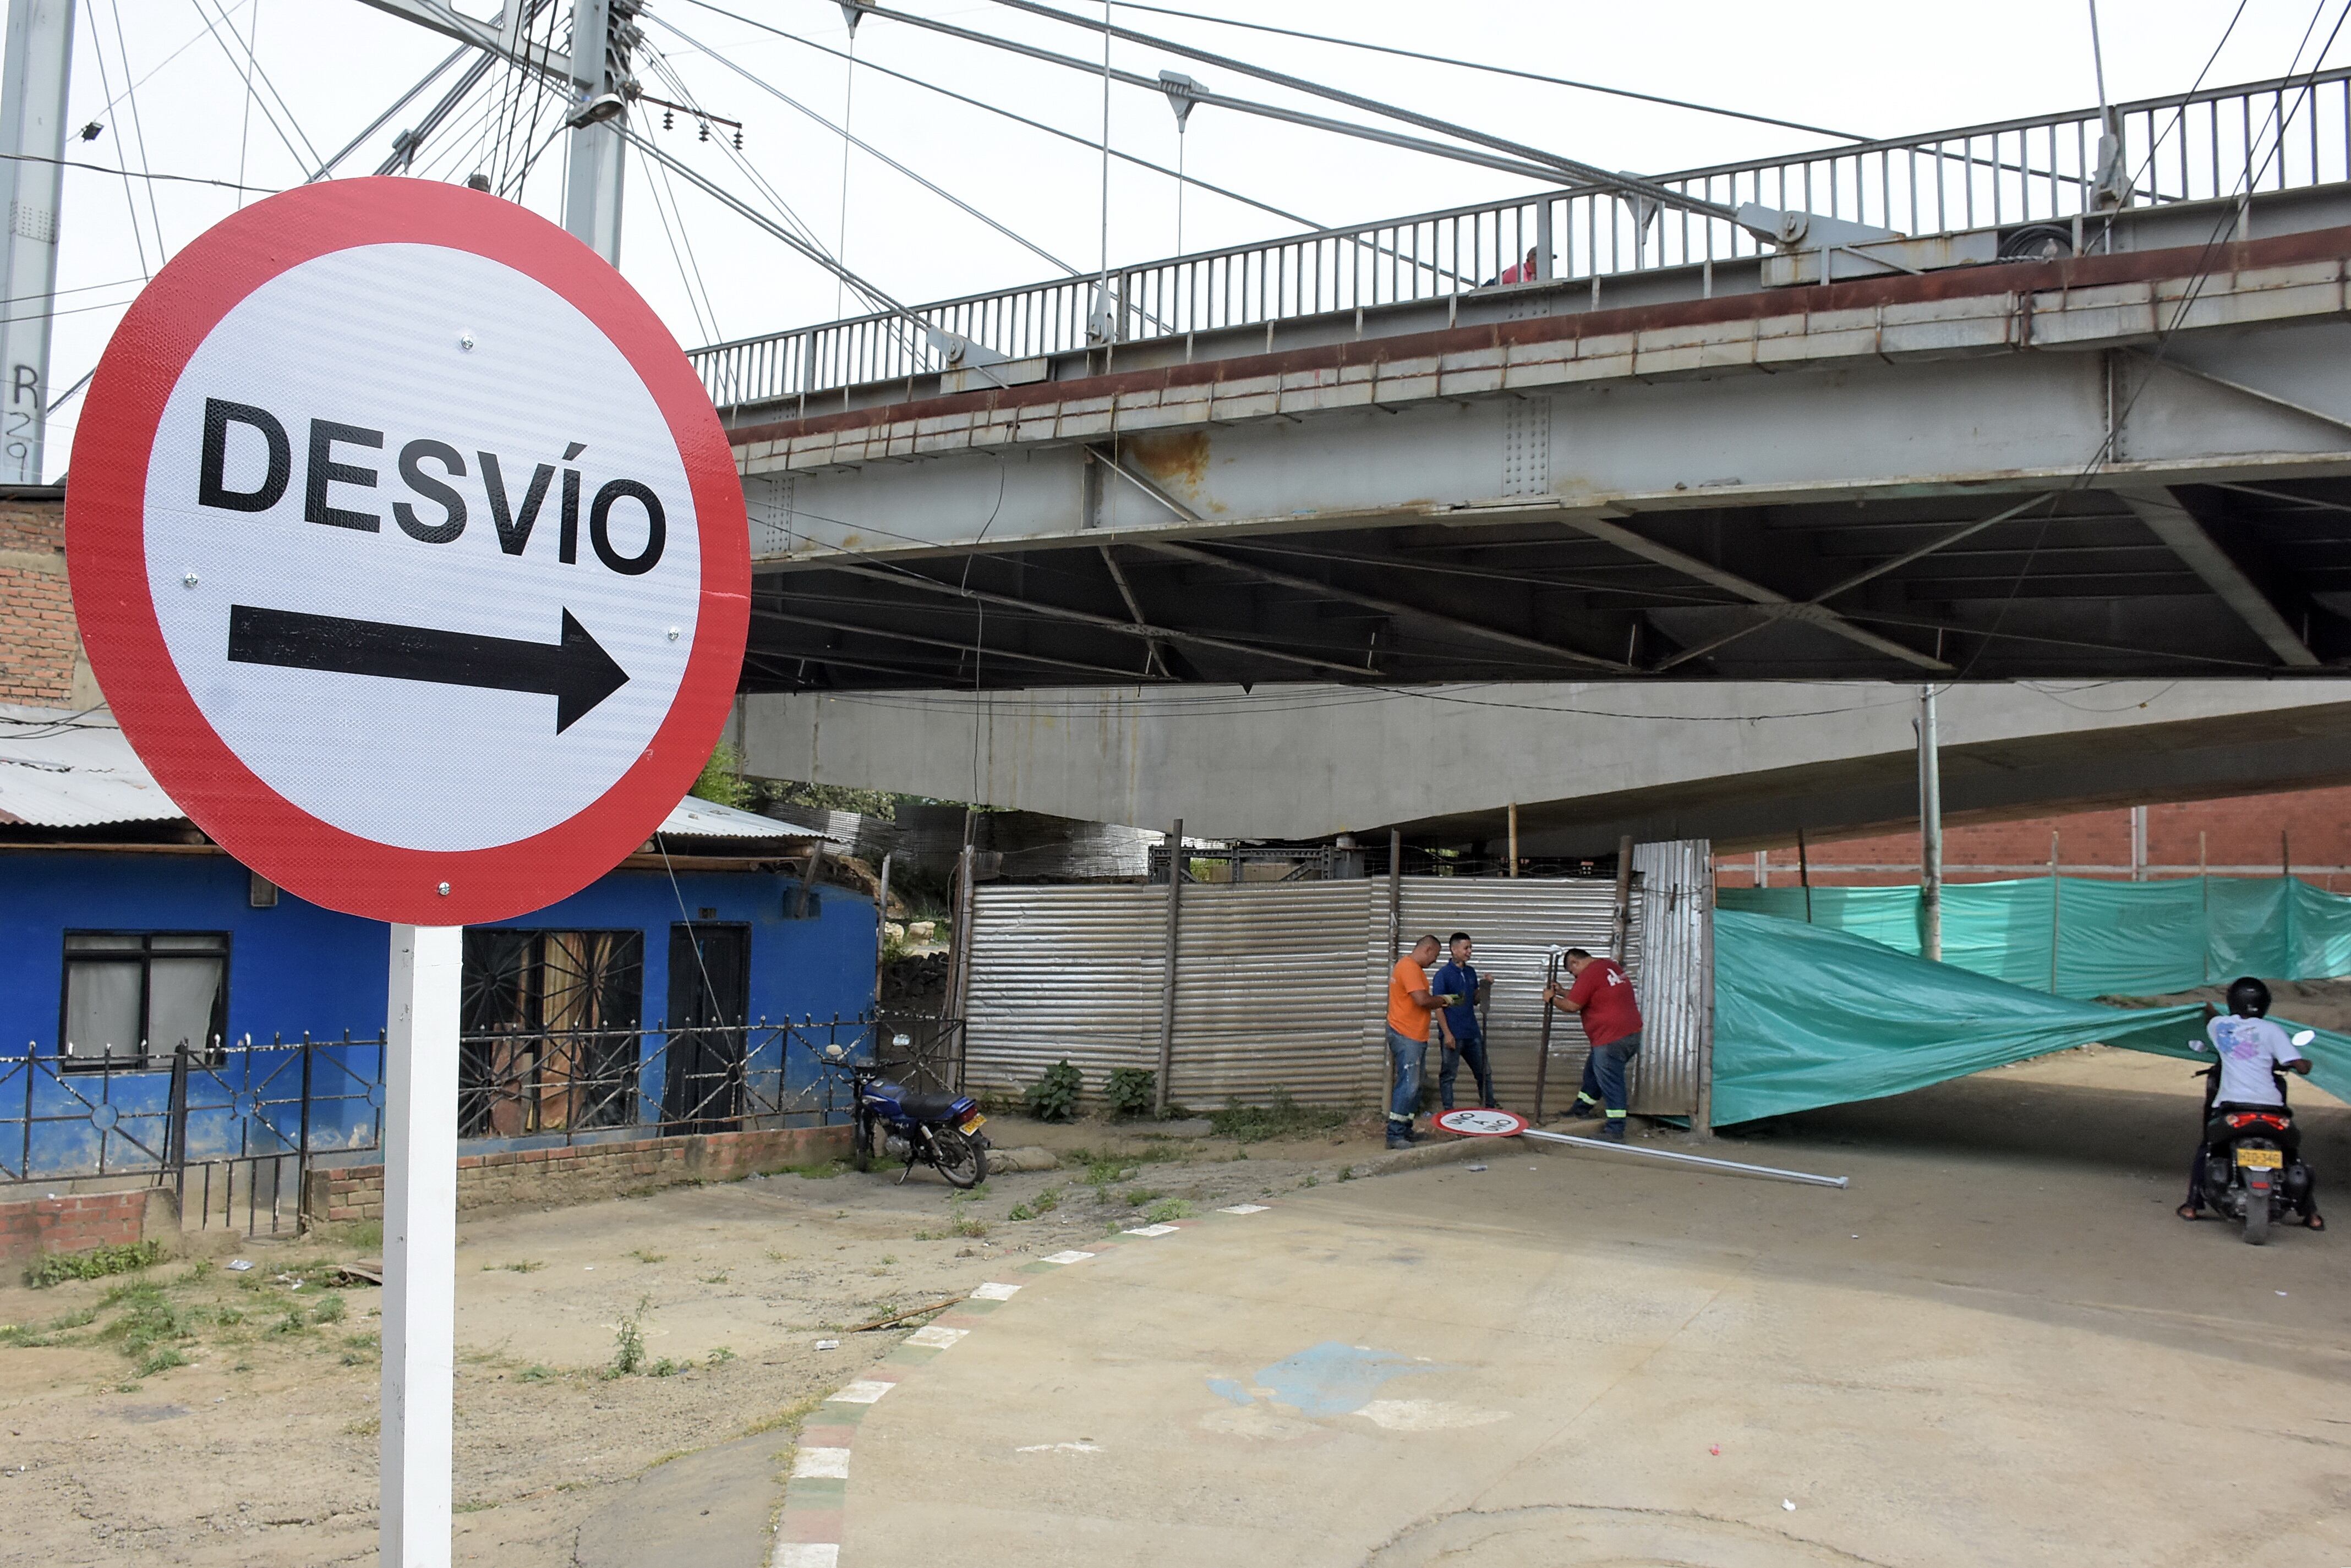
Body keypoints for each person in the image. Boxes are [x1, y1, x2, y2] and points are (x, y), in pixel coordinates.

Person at [2179, 975, 2324, 1229]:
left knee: (2209, 1148)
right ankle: (2311, 1214)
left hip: (2232, 1107)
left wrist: (2208, 1005)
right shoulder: (2272, 1031)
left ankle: (2192, 1206)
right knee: (2292, 1155)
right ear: (2265, 1003)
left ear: (2233, 1002)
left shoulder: (2221, 1027)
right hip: (2271, 1108)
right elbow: (2300, 1067)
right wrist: (2306, 1064)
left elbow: (2210, 1015)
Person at [1543, 946, 1642, 1141]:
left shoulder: (1588, 975)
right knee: (1593, 1072)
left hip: (1611, 1038)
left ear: (1575, 962)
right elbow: (1585, 995)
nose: (1574, 977)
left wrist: (1553, 999)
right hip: (1630, 1034)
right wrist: (1563, 991)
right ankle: (1581, 1109)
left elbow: (1573, 1006)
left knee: (1611, 1082)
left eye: (1573, 973)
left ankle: (1615, 1129)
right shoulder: (1607, 966)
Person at [1385, 934, 1445, 1149]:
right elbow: (1422, 1001)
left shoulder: (1411, 968)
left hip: (1413, 1035)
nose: (1435, 961)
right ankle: (1395, 1134)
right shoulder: (1409, 967)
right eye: (1435, 955)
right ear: (1428, 949)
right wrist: (1448, 1000)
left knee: (1416, 1086)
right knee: (1409, 1086)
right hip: (1407, 1035)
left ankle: (1405, 1128)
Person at [1431, 931, 1495, 1112]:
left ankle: (1490, 1107)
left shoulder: (1470, 972)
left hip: (1472, 1033)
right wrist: (1447, 1034)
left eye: (1471, 948)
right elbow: (1438, 1006)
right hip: (1453, 1034)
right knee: (1449, 1075)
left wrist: (1485, 986)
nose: (1470, 952)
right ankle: (1448, 1111)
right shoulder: (1443, 975)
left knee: (1484, 1072)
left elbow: (1473, 1000)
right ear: (1454, 949)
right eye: (1466, 948)